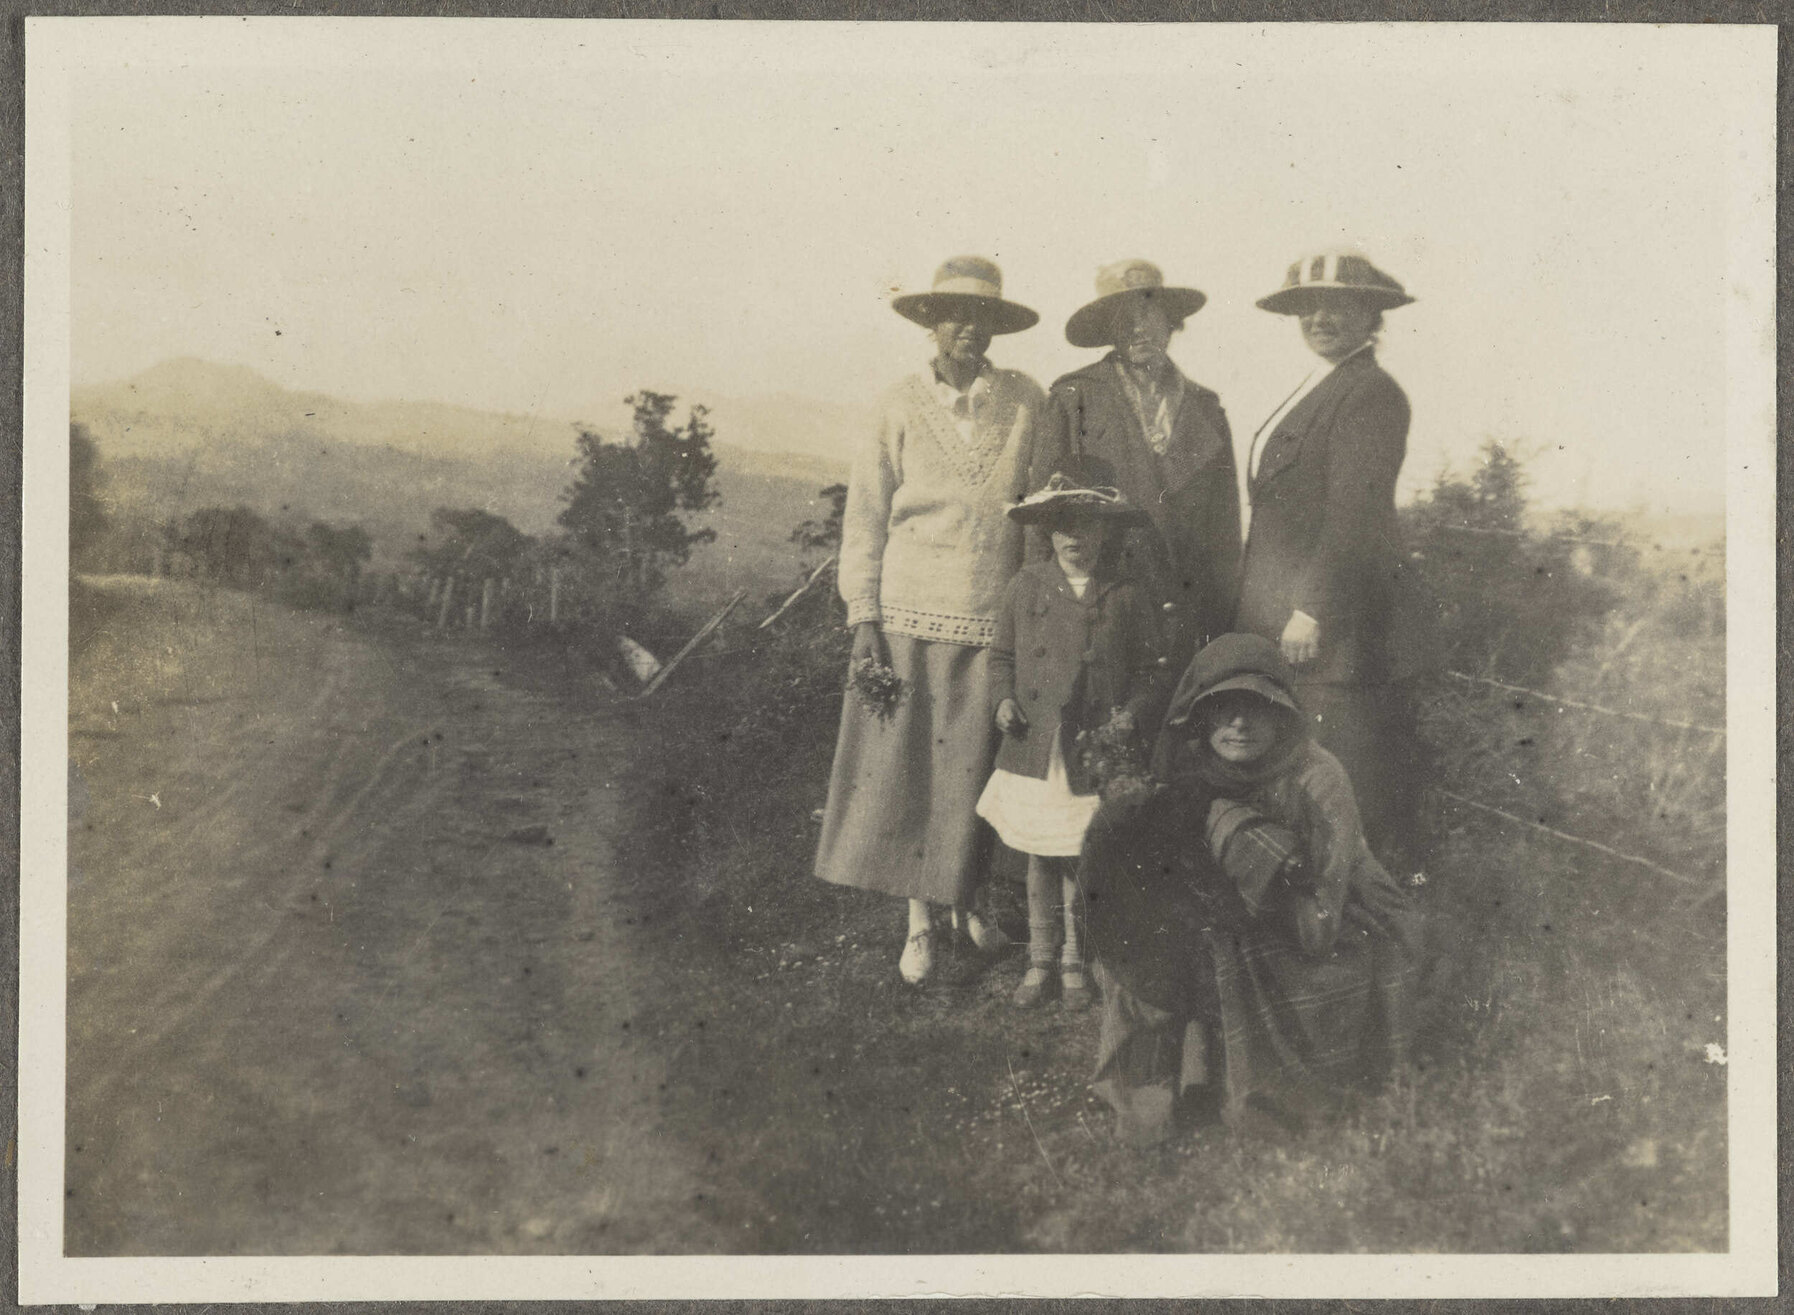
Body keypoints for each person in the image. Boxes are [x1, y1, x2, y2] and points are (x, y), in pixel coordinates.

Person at [1079, 632, 1420, 1147]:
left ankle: (1252, 1089)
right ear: (1200, 716)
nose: (1239, 724)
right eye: (1223, 708)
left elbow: (1323, 918)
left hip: (1321, 919)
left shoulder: (1317, 775)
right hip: (1227, 909)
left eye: (1256, 708)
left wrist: (1243, 855)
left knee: (1228, 939)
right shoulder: (1196, 766)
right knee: (1148, 941)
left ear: (1284, 713)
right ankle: (1158, 1088)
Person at [815, 255, 1047, 986]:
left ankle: (966, 901)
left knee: (975, 768)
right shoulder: (896, 405)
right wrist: (865, 618)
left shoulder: (1025, 402)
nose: (967, 330)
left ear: (997, 329)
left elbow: (1037, 510)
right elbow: (866, 519)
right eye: (953, 316)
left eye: (982, 319)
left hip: (991, 616)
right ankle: (920, 922)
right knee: (916, 770)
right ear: (931, 323)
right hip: (910, 615)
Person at [1234, 248, 1427, 868]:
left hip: (1334, 635)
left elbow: (1355, 516)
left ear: (1372, 315)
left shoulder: (1369, 392)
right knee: (1303, 783)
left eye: (1339, 305)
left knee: (1342, 789)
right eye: (1308, 306)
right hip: (1291, 620)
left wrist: (1312, 609)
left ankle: (1359, 931)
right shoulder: (1328, 382)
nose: (1320, 317)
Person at [975, 458, 1164, 1009]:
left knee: (1082, 852)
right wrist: (1004, 700)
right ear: (1046, 530)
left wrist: (1130, 713)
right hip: (1040, 742)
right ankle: (1039, 959)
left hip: (1096, 747)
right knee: (1039, 852)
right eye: (1064, 524)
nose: (1076, 537)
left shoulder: (1126, 593)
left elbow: (1154, 670)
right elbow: (1002, 656)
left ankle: (1076, 960)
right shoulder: (1027, 585)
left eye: (1088, 524)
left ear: (1106, 530)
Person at [1033, 259, 1241, 685]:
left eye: (1149, 314)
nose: (1139, 329)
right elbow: (1040, 521)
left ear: (1171, 322)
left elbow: (1225, 531)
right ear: (1108, 330)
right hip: (1103, 610)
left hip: (1186, 615)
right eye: (1124, 319)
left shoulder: (1206, 407)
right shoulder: (1074, 396)